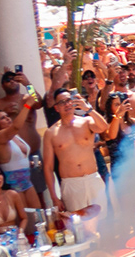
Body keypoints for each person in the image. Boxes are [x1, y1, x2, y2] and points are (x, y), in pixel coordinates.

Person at [44, 86, 108, 217]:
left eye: (69, 100)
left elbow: (103, 127)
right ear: (56, 108)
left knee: (103, 220)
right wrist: (54, 197)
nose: (67, 104)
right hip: (71, 184)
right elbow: (48, 167)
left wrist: (88, 109)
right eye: (62, 102)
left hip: (92, 179)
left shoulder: (86, 122)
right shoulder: (51, 133)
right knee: (78, 224)